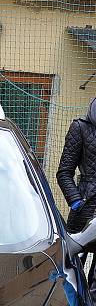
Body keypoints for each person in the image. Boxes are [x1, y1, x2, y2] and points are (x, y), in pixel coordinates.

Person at [57, 98, 96, 234]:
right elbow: (64, 173)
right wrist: (76, 202)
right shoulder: (80, 127)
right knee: (74, 253)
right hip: (87, 209)